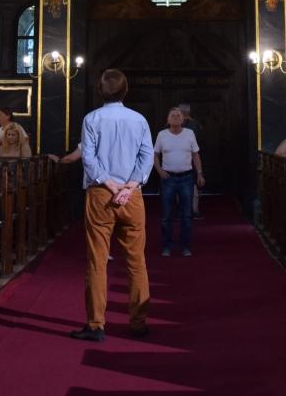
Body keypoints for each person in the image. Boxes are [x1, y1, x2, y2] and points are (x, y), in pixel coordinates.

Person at [71, 68, 153, 342]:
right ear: (125, 91)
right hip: (132, 196)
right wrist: (129, 185)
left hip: (100, 194)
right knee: (136, 261)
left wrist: (110, 184)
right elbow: (146, 157)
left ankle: (96, 325)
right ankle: (138, 323)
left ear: (100, 91)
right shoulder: (139, 119)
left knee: (97, 261)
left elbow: (89, 158)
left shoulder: (92, 118)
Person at [154, 107, 203, 257]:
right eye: (173, 115)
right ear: (167, 119)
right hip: (168, 179)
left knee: (186, 215)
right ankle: (167, 246)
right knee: (167, 215)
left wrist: (200, 174)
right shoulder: (162, 135)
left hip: (186, 178)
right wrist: (159, 170)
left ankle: (185, 246)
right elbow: (155, 155)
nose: (176, 117)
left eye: (178, 115)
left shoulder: (189, 133)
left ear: (183, 119)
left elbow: (195, 155)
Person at [177, 101, 203, 216]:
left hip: (187, 157)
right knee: (193, 184)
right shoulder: (195, 124)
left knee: (185, 184)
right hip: (192, 157)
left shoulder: (185, 125)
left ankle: (185, 210)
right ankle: (194, 210)